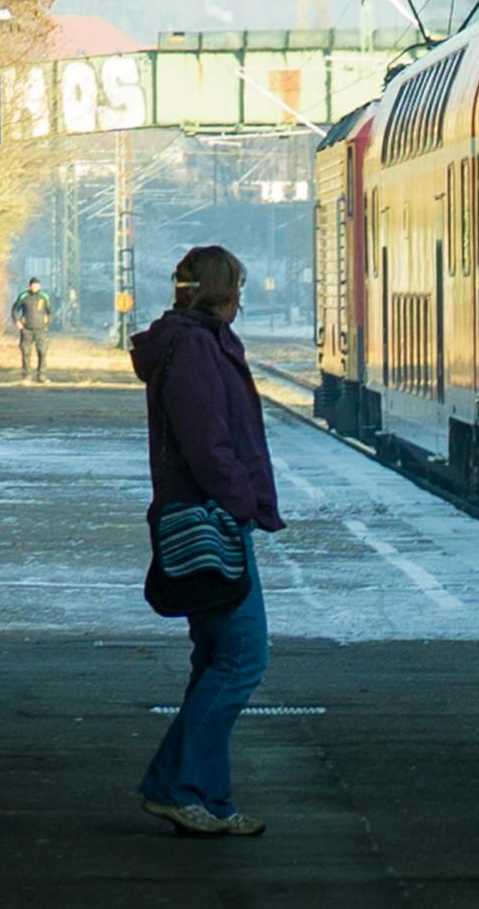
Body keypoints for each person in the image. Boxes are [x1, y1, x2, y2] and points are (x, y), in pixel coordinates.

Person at [130, 245, 284, 837]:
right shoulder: (194, 347)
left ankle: (207, 798)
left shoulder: (191, 341)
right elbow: (207, 440)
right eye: (238, 286)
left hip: (207, 515)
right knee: (244, 658)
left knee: (217, 659)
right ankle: (176, 787)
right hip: (211, 520)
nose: (242, 298)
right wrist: (240, 500)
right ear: (222, 289)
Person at [10, 277, 53, 383]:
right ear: (29, 286)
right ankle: (27, 376)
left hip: (40, 330)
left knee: (42, 352)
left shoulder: (44, 297)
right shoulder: (24, 296)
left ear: (39, 286)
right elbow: (15, 309)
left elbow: (50, 311)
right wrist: (17, 321)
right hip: (26, 329)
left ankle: (41, 375)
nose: (34, 287)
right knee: (26, 353)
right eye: (33, 285)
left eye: (36, 285)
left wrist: (47, 323)